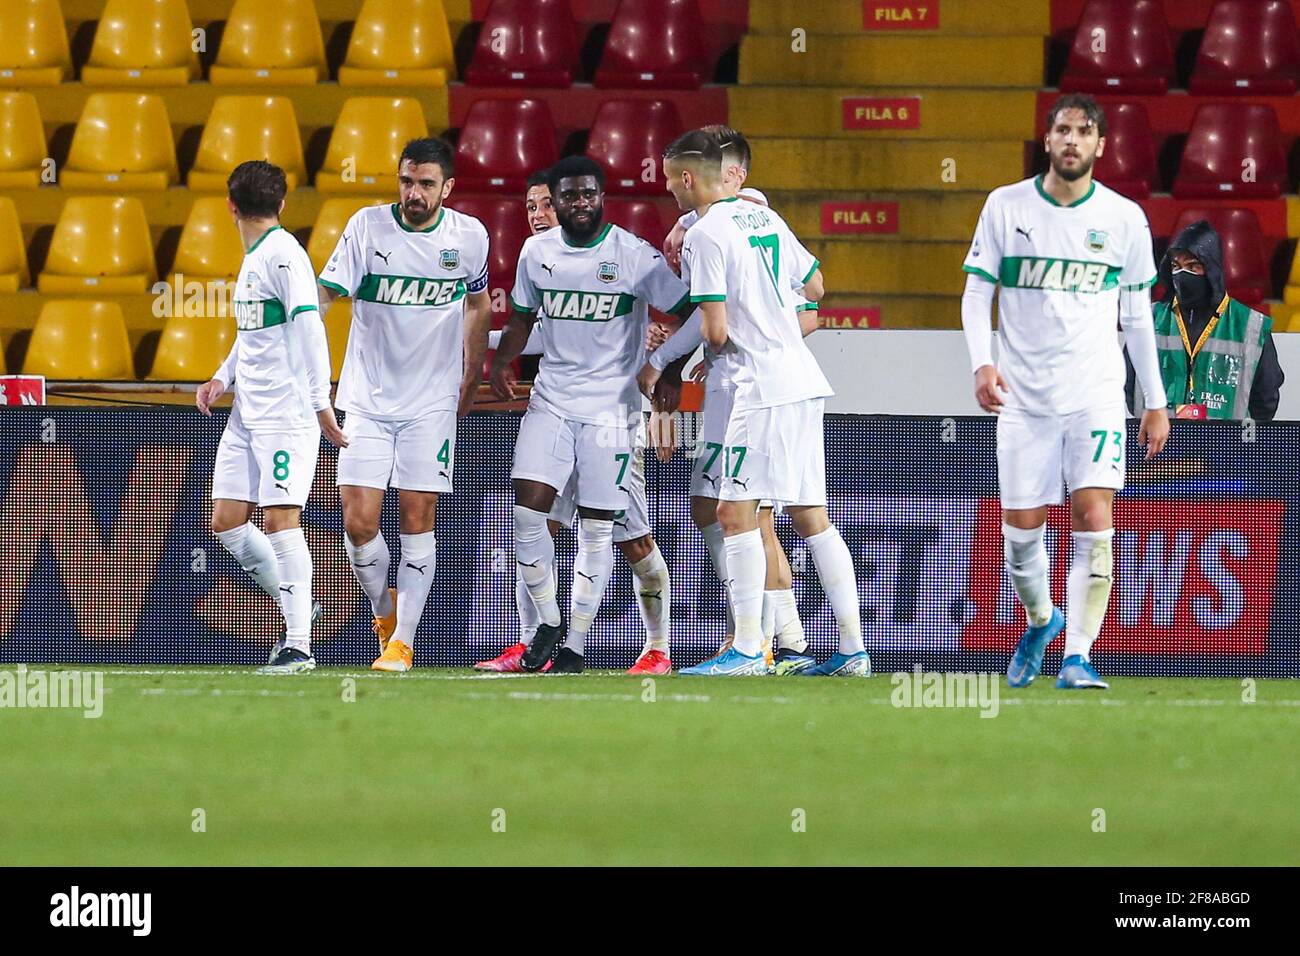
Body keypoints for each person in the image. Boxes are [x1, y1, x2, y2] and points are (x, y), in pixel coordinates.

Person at [960, 93, 1170, 690]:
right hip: (1023, 399)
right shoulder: (1007, 206)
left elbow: (1135, 318)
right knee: (1021, 535)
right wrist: (983, 364)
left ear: (1101, 145)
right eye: (1062, 130)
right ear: (1047, 140)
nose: (1072, 140)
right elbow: (977, 294)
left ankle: (1078, 655)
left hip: (1096, 394)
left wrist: (1152, 400)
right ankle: (1043, 619)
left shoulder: (1125, 218)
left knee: (1092, 513)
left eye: (1084, 131)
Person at [649, 130, 869, 677]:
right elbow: (815, 287)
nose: (669, 192)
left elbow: (717, 332)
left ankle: (748, 649)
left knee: (733, 512)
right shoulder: (764, 219)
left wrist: (700, 354)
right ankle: (851, 650)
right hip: (802, 380)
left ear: (685, 178)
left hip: (758, 387)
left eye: (669, 180)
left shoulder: (705, 233)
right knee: (811, 515)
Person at [490, 155, 694, 674]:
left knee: (623, 538)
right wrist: (498, 364)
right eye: (568, 197)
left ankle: (634, 646)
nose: (579, 204)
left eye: (589, 195)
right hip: (552, 402)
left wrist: (666, 371)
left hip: (613, 415)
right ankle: (543, 630)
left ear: (601, 197)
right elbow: (520, 316)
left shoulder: (633, 256)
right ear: (555, 202)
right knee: (528, 514)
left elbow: (693, 309)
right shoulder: (537, 253)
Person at [317, 138, 492, 672]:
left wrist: (472, 371)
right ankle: (384, 609)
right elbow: (324, 298)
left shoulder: (469, 236)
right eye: (406, 182)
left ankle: (403, 643)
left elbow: (479, 304)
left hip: (431, 403)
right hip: (366, 399)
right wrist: (308, 371)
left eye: (425, 184)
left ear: (448, 188)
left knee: (418, 518)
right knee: (358, 522)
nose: (413, 194)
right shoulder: (367, 228)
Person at [197, 160, 344, 675]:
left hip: (286, 413)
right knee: (226, 520)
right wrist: (222, 377)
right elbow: (254, 332)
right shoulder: (258, 257)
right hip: (245, 414)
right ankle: (297, 600)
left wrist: (321, 402)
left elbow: (309, 326)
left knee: (281, 520)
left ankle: (299, 644)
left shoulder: (284, 256)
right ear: (281, 203)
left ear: (231, 206)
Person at [1125, 218, 1284, 421]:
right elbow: (1129, 386)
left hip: (1226, 449)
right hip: (1158, 448)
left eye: (1193, 267)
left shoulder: (1249, 326)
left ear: (1212, 269)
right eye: (1176, 266)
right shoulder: (1148, 320)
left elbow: (1265, 399)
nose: (1183, 276)